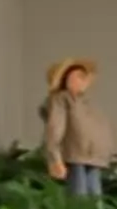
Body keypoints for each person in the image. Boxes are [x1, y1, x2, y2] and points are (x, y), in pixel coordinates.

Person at [42, 58, 112, 198]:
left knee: (94, 197)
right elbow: (55, 129)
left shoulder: (85, 102)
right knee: (79, 197)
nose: (83, 81)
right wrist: (55, 159)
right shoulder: (62, 99)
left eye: (84, 77)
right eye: (78, 77)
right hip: (76, 157)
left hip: (93, 158)